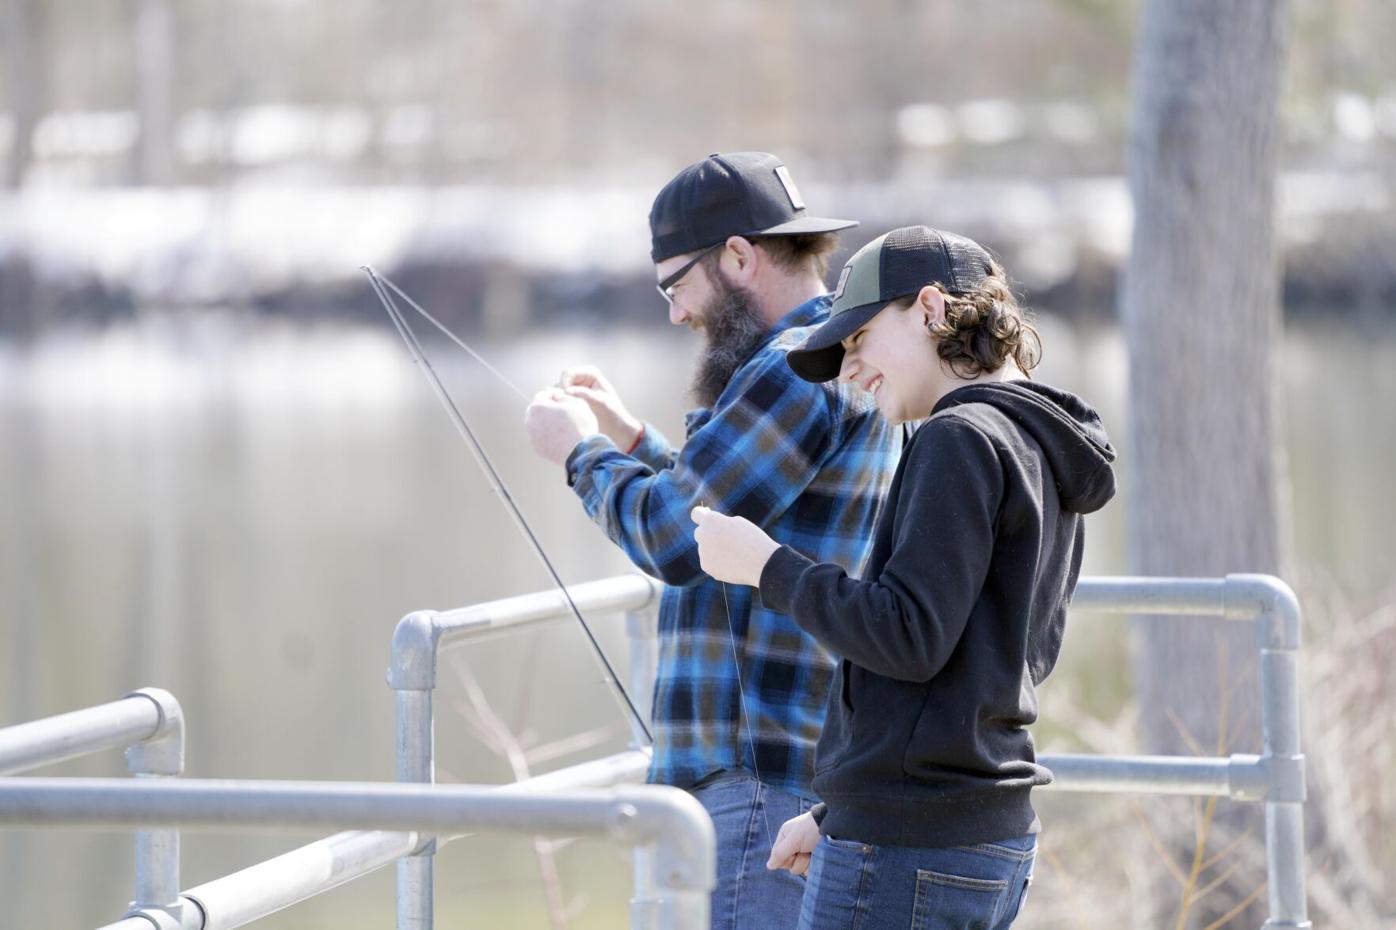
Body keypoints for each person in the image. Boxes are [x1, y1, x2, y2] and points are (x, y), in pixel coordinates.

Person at [691, 225, 1117, 930]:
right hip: (984, 835)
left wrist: (765, 566)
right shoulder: (1034, 443)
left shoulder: (958, 438)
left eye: (858, 341)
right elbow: (977, 664)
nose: (850, 371)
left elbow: (907, 635)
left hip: (908, 846)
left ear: (929, 308)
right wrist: (836, 812)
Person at [523, 152, 902, 930]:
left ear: (738, 255)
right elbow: (726, 520)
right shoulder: (831, 359)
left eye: (676, 284)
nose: (674, 312)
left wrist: (578, 454)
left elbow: (674, 539)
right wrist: (633, 442)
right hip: (786, 775)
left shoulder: (792, 368)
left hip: (755, 781)